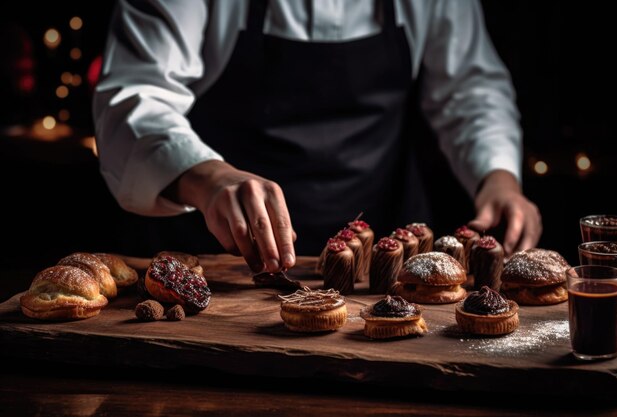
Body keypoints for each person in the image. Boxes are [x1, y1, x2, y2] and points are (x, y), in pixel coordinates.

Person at [93, 0, 542, 274]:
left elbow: (470, 90)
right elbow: (133, 94)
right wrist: (209, 178)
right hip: (218, 258)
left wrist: (498, 178)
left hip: (382, 261)